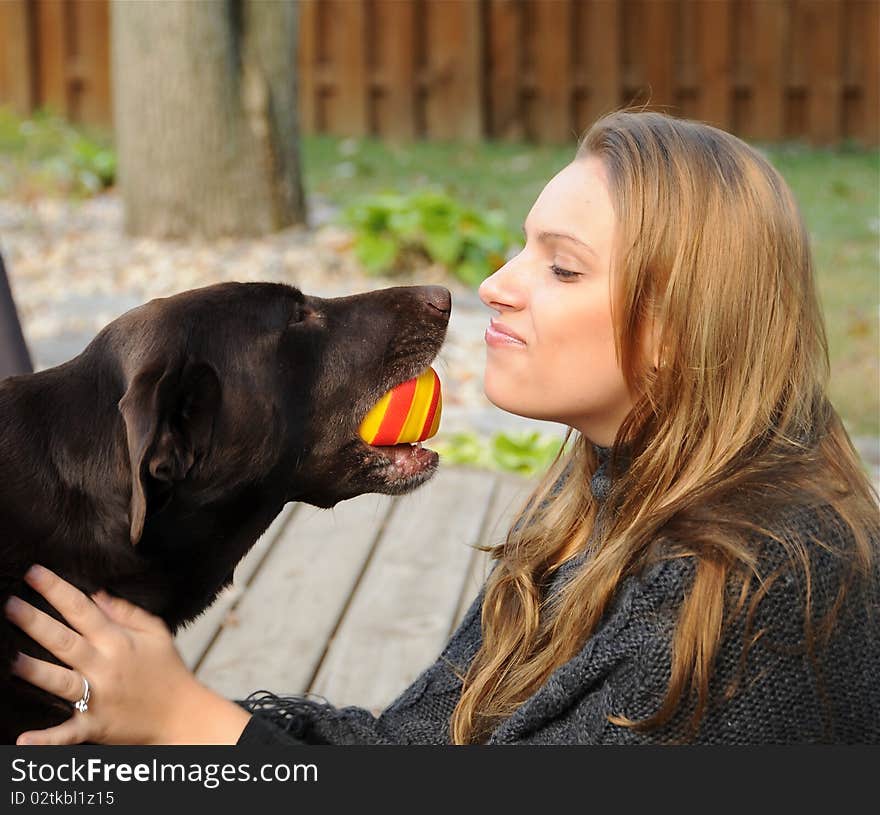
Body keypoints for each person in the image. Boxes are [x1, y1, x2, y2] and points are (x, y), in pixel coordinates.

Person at [5, 109, 879, 746]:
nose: (495, 283)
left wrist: (197, 728)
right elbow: (428, 753)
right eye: (523, 246)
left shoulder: (753, 595)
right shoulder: (601, 501)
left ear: (684, 331)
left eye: (562, 267)